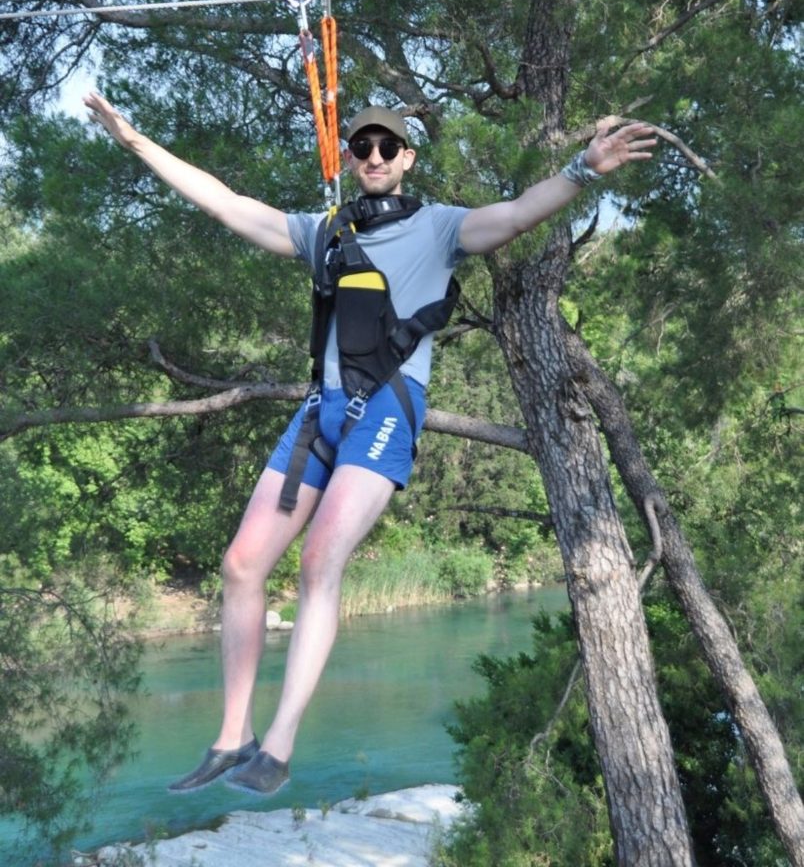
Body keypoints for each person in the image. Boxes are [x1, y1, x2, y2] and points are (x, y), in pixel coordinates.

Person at [82, 91, 656, 796]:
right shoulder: (323, 230)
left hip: (387, 405)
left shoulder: (440, 228)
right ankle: (233, 738)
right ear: (350, 159)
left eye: (388, 147)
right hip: (320, 412)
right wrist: (138, 142)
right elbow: (228, 204)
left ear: (407, 158)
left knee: (322, 556)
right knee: (239, 565)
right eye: (363, 148)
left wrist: (583, 168)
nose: (375, 157)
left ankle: (281, 747)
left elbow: (513, 214)